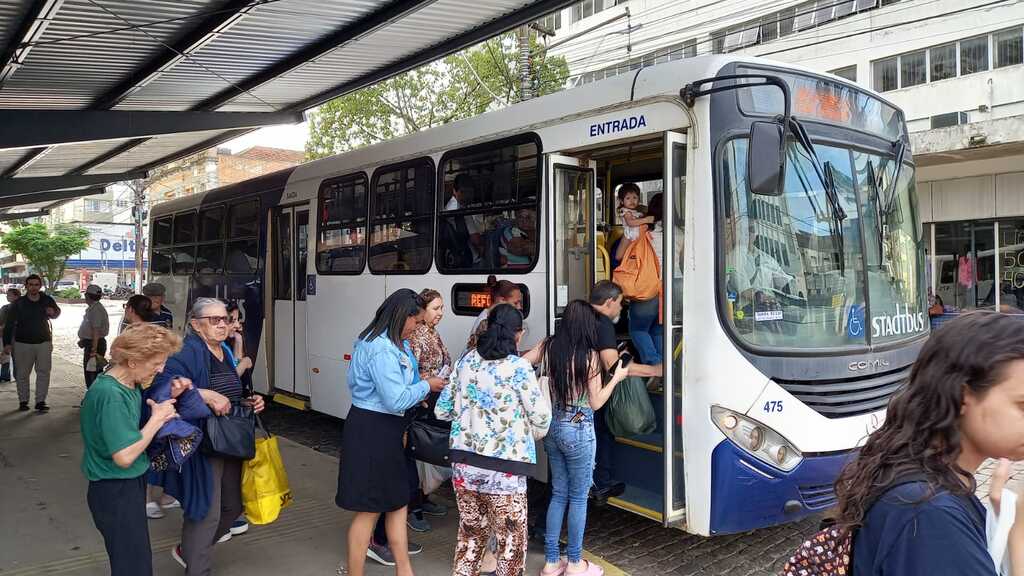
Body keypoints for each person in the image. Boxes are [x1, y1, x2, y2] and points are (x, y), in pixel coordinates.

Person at [833, 311, 1024, 576]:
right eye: (1022, 405)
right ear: (962, 396)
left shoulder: (922, 474)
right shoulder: (929, 514)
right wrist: (1019, 532)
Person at [149, 298, 266, 575]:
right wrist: (206, 394)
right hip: (202, 442)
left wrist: (250, 401)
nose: (223, 324)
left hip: (229, 439)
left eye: (225, 318)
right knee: (206, 511)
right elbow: (165, 388)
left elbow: (231, 391)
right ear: (196, 325)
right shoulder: (187, 352)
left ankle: (188, 551)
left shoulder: (224, 350)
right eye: (215, 320)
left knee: (233, 507)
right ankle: (197, 568)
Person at [436, 304, 551, 576]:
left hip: (464, 469)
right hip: (506, 473)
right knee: (510, 545)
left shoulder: (466, 362)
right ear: (519, 334)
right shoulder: (519, 368)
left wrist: (470, 412)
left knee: (470, 539)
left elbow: (442, 410)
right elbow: (542, 419)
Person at [337, 289, 446, 576]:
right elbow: (394, 398)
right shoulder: (381, 348)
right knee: (371, 508)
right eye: (416, 322)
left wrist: (416, 391)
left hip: (385, 428)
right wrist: (426, 387)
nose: (417, 328)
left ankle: (404, 570)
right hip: (374, 430)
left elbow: (401, 390)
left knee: (397, 502)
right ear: (403, 316)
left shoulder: (391, 343)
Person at [80, 323, 185, 576]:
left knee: (134, 559)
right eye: (156, 363)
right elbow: (125, 456)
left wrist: (171, 392)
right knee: (133, 565)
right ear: (133, 361)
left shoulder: (129, 384)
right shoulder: (111, 394)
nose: (161, 369)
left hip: (127, 485)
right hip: (115, 489)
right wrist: (158, 420)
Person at [539, 301, 629, 576]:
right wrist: (617, 378)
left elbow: (520, 362)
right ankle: (575, 563)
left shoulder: (549, 346)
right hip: (578, 429)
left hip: (552, 427)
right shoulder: (588, 357)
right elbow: (596, 402)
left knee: (558, 493)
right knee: (578, 498)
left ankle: (551, 562)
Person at [587, 280, 662, 501]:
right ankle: (601, 482)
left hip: (572, 395)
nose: (621, 308)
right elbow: (613, 365)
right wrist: (654, 370)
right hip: (592, 394)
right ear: (609, 302)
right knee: (603, 433)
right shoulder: (603, 324)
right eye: (620, 303)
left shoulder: (578, 316)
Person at [405, 289, 452, 530]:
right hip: (420, 401)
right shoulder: (416, 336)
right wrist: (430, 381)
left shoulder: (433, 333)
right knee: (417, 455)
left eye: (442, 308)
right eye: (436, 308)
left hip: (435, 398)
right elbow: (411, 373)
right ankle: (413, 507)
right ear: (422, 311)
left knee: (428, 455)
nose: (441, 313)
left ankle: (423, 497)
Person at [3, 274, 60, 412]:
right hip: (23, 343)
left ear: (40, 286)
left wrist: (54, 312)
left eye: (36, 284)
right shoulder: (19, 303)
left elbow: (56, 312)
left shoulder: (47, 300)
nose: (33, 287)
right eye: (31, 284)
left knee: (44, 372)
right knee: (22, 374)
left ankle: (40, 401)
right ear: (26, 286)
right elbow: (9, 324)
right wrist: (7, 343)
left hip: (44, 342)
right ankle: (23, 401)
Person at [468, 277, 524, 349]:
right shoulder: (487, 321)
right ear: (502, 300)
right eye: (515, 303)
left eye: (520, 302)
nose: (519, 307)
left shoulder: (495, 317)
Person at [79, 284, 110, 389]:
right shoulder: (94, 308)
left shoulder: (96, 310)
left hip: (95, 343)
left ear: (88, 296)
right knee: (92, 372)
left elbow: (96, 331)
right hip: (92, 343)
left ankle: (92, 396)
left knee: (92, 373)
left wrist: (93, 349)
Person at [0, 287, 20, 382]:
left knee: (16, 358)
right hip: (4, 335)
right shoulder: (5, 308)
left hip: (18, 336)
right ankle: (5, 375)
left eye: (9, 295)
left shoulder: (22, 308)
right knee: (5, 356)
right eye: (7, 295)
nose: (7, 296)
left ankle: (18, 376)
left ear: (16, 296)